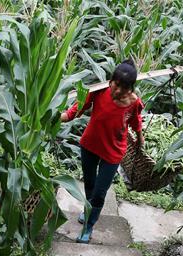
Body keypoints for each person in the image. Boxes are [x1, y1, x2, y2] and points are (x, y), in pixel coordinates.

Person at [60, 59, 144, 243]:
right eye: (116, 84)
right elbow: (75, 110)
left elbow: (136, 122)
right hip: (90, 145)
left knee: (99, 192)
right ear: (110, 80)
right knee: (89, 184)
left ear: (131, 88)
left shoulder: (133, 102)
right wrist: (58, 116)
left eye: (124, 87)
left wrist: (140, 140)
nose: (118, 90)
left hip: (113, 152)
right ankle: (87, 210)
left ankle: (88, 226)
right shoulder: (98, 91)